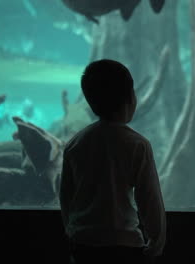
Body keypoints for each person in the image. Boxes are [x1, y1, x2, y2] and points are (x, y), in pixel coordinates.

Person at [59, 59, 166, 264]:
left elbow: (66, 196)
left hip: (83, 245)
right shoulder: (137, 145)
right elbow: (149, 199)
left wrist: (71, 230)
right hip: (125, 245)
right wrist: (156, 241)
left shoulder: (75, 144)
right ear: (130, 99)